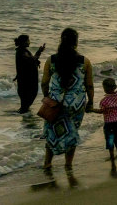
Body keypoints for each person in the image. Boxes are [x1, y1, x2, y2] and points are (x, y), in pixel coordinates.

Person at [41, 28, 94, 171]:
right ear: (76, 43)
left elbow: (44, 82)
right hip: (76, 104)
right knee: (72, 132)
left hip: (55, 103)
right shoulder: (85, 62)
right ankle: (68, 164)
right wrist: (91, 102)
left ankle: (47, 163)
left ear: (61, 40)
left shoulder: (51, 60)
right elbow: (89, 85)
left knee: (52, 131)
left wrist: (47, 97)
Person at [92, 78, 117, 164]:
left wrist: (91, 109)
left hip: (109, 124)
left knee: (110, 140)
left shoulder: (104, 101)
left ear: (104, 89)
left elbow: (101, 111)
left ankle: (111, 156)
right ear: (115, 87)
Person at [14, 35, 45, 114]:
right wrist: (39, 51)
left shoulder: (22, 51)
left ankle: (24, 119)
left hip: (25, 81)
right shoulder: (22, 52)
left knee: (26, 103)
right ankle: (24, 117)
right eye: (28, 40)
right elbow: (31, 60)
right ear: (24, 42)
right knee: (26, 102)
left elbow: (30, 61)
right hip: (26, 82)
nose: (29, 42)